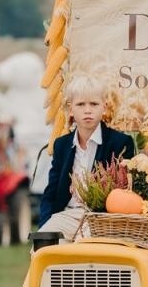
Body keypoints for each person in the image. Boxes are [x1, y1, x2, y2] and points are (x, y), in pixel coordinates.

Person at [37, 76, 135, 239]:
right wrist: (44, 225)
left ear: (104, 107)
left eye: (94, 104)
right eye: (81, 104)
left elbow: (124, 191)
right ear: (70, 109)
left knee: (84, 251)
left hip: (101, 218)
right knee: (42, 247)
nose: (87, 110)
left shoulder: (120, 143)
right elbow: (51, 192)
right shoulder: (62, 144)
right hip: (66, 214)